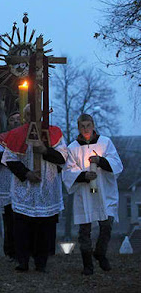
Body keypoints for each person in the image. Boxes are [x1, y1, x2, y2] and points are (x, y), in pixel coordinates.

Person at [2, 105, 66, 272]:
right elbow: (10, 159)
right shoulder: (16, 134)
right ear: (25, 116)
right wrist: (26, 173)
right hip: (25, 187)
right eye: (29, 114)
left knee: (44, 228)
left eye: (36, 114)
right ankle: (22, 261)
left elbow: (63, 157)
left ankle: (41, 262)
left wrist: (45, 150)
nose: (33, 117)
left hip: (46, 186)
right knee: (22, 227)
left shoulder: (54, 132)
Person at [62, 114, 123, 275]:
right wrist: (83, 176)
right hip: (84, 193)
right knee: (84, 229)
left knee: (107, 223)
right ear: (78, 127)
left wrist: (101, 161)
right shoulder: (73, 147)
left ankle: (100, 252)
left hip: (104, 190)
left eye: (88, 125)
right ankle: (87, 264)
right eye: (82, 126)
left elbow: (117, 164)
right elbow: (68, 171)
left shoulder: (105, 142)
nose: (86, 129)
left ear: (93, 125)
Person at [0, 111, 22, 261]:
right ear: (8, 123)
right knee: (9, 219)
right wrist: (13, 154)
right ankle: (11, 251)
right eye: (12, 119)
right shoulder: (1, 139)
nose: (15, 122)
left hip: (24, 183)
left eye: (18, 119)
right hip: (8, 185)